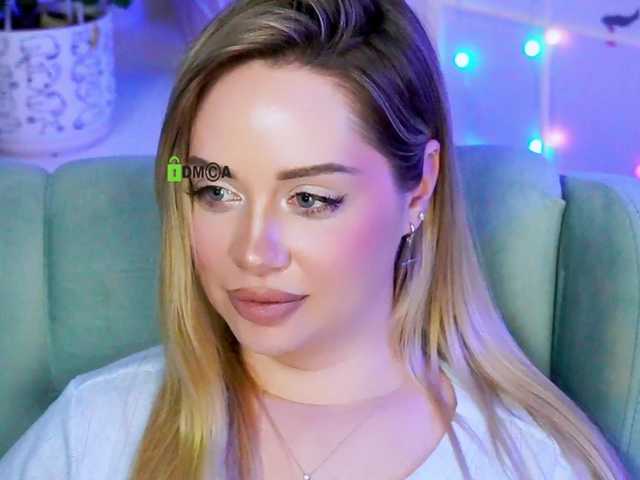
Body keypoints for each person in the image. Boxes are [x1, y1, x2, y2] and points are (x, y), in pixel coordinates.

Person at [0, 0, 630, 479]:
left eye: (310, 199)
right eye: (215, 190)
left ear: (419, 188)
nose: (254, 252)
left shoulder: (534, 463)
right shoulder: (94, 431)